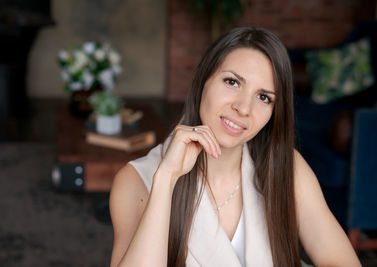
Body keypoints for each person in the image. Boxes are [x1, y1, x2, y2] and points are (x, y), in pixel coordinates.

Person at [109, 27, 361, 267]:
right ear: (202, 80)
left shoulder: (286, 167)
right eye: (232, 82)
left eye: (264, 97)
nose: (243, 108)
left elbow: (342, 260)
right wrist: (166, 178)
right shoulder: (136, 180)